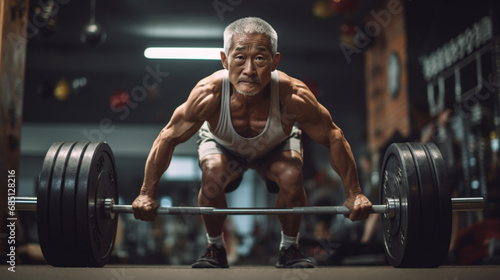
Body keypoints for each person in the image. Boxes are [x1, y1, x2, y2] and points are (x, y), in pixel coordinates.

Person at [132, 17, 372, 269]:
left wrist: (354, 194)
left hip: (276, 147)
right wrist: (147, 193)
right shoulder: (208, 93)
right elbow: (168, 136)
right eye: (239, 58)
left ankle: (289, 248)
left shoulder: (293, 94)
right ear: (224, 60)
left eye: (259, 58)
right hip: (222, 145)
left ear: (274, 61)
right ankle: (215, 247)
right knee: (213, 174)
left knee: (292, 174)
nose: (249, 69)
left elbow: (333, 136)